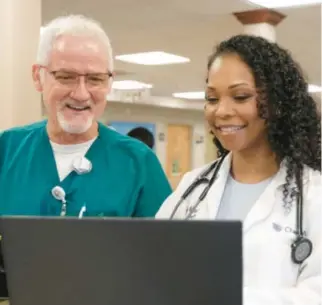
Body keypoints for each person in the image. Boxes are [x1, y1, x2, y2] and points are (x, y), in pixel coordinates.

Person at [156, 35, 321, 304]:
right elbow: (153, 263)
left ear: (277, 103)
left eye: (240, 96)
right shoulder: (193, 187)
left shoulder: (315, 196)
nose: (221, 111)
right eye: (211, 98)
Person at [0, 14, 172, 217]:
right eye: (66, 77)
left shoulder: (138, 163)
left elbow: (165, 245)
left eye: (95, 79)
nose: (81, 94)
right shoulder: (7, 150)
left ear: (109, 82)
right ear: (38, 77)